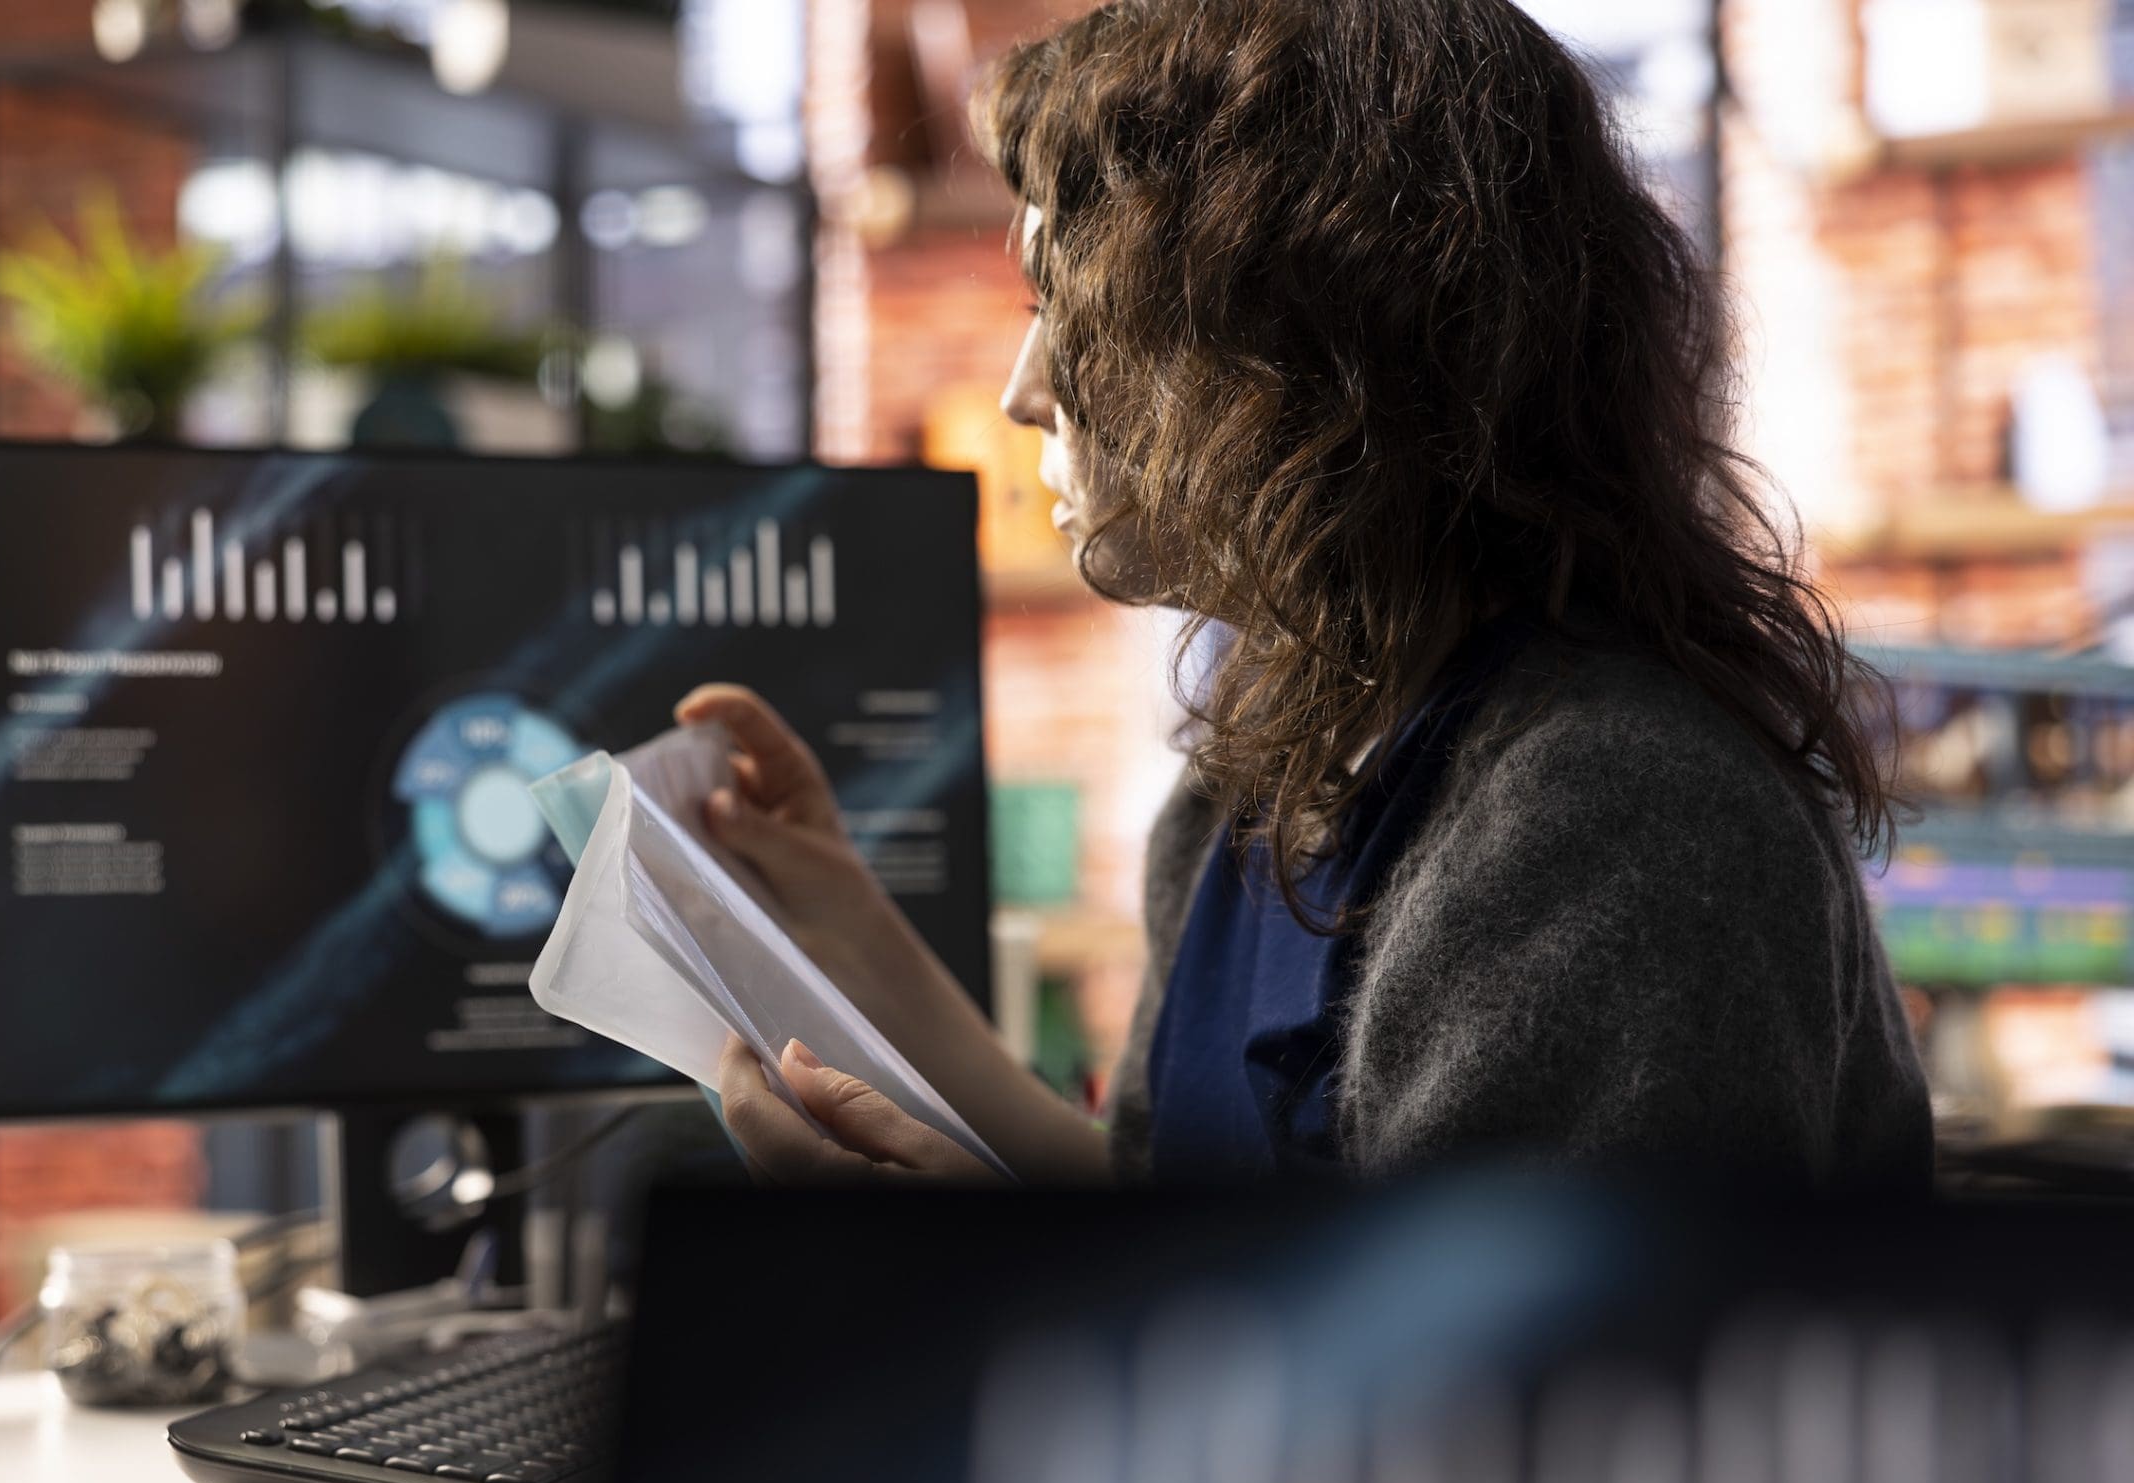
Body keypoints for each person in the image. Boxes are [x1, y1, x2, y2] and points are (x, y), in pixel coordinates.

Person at [688, 0, 1932, 1191]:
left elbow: (1497, 1348)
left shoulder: (1622, 823)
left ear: (1309, 346)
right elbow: (1165, 1212)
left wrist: (957, 1278)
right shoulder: (1259, 769)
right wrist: (843, 923)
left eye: (1072, 313)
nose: (1023, 393)